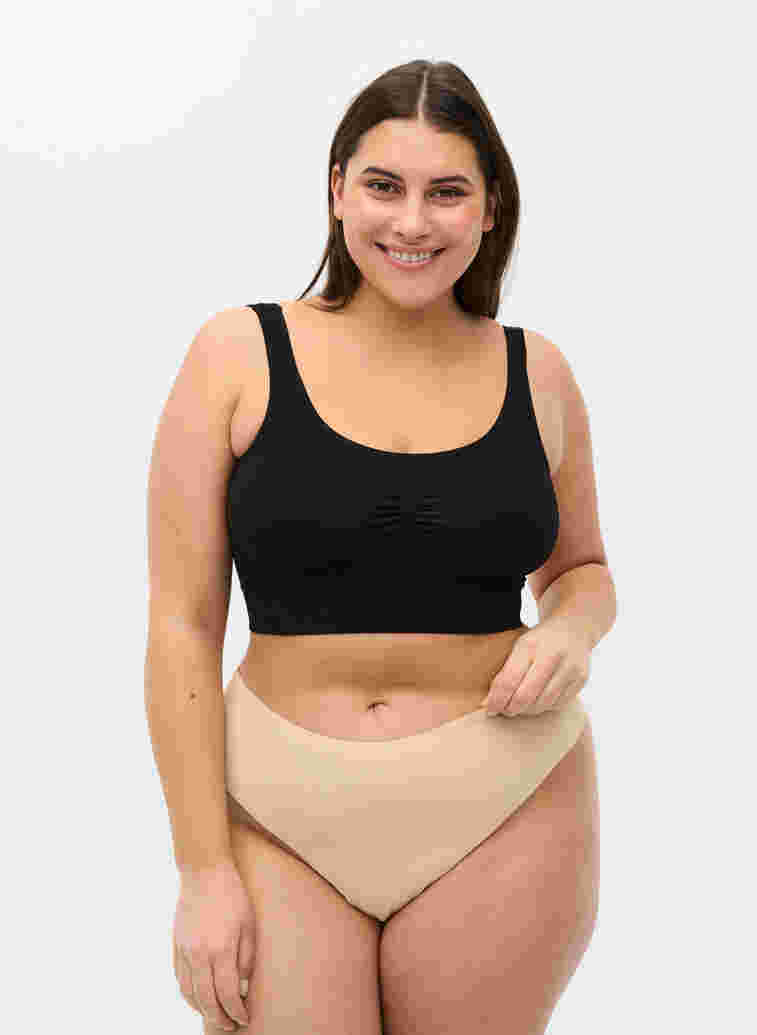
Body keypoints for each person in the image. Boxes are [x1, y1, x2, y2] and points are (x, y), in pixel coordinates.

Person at [145, 58, 616, 1035]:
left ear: (490, 208)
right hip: (276, 812)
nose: (411, 222)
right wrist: (202, 871)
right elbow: (181, 625)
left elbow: (581, 571)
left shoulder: (538, 372)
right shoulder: (236, 353)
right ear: (336, 191)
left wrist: (572, 629)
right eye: (382, 185)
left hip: (503, 802)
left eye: (446, 192)